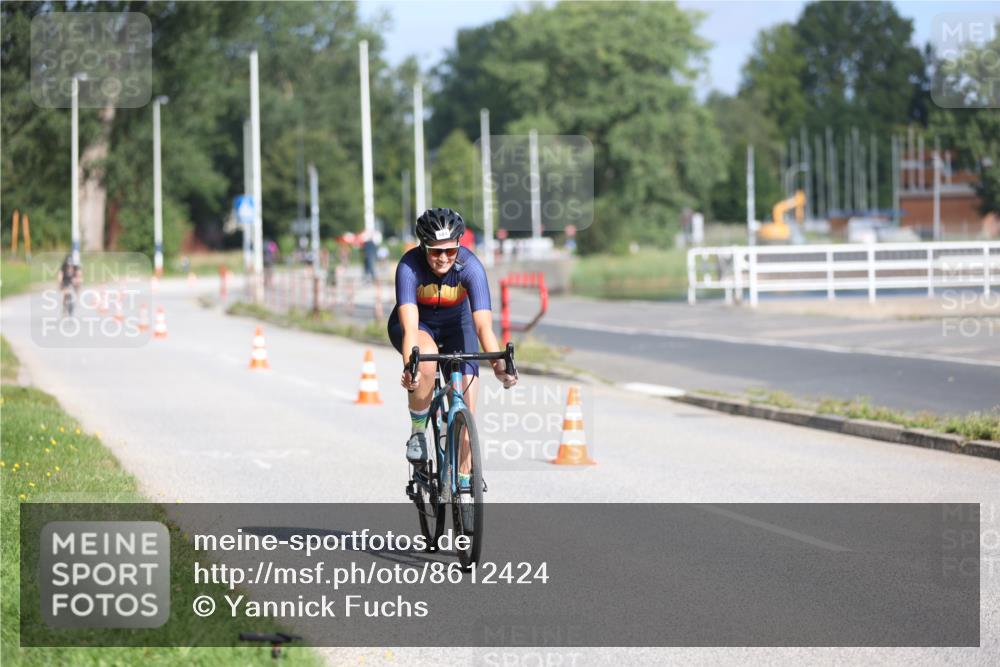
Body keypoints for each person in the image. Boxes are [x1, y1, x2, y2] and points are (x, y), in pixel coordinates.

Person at [387, 208, 517, 488]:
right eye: (435, 251)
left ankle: (464, 477)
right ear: (423, 247)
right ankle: (419, 431)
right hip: (419, 326)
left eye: (450, 250)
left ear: (459, 245)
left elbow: (483, 326)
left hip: (458, 327)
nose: (443, 258)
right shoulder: (409, 267)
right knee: (425, 360)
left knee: (468, 405)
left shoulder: (470, 266)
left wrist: (498, 366)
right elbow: (409, 328)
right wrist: (411, 368)